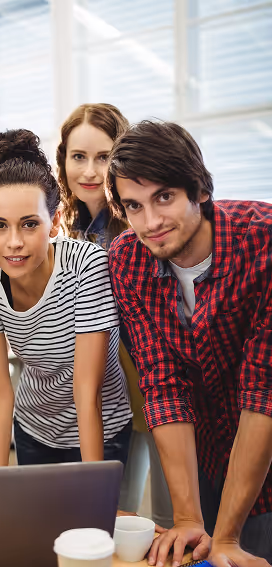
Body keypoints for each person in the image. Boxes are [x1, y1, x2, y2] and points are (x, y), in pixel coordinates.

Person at [106, 119, 272, 567]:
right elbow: (162, 385)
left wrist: (228, 535)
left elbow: (263, 391)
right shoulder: (127, 258)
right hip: (204, 457)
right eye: (134, 206)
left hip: (265, 452)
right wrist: (187, 519)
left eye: (164, 197)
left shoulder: (263, 240)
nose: (151, 223)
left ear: (198, 187)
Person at [0, 129, 132, 467]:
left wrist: (93, 483)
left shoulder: (87, 266)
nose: (13, 242)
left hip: (102, 429)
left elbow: (88, 393)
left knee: (93, 516)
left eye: (29, 224)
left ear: (54, 222)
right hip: (34, 427)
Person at [56, 103, 173, 526]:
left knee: (171, 515)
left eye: (103, 157)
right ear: (63, 160)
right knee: (112, 512)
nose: (89, 171)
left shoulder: (140, 224)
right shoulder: (68, 228)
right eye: (78, 157)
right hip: (106, 394)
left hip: (158, 385)